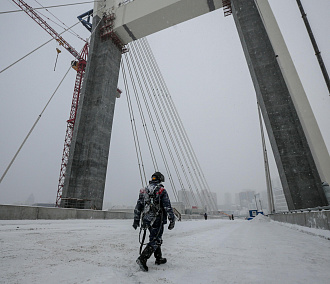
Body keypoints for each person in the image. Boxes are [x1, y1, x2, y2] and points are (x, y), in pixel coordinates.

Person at [133, 172, 175, 272]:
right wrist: (172, 219)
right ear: (160, 179)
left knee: (155, 237)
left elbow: (138, 206)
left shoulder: (144, 190)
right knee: (156, 239)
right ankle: (142, 258)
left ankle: (159, 258)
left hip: (147, 219)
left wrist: (136, 220)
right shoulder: (161, 190)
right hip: (157, 219)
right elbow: (167, 206)